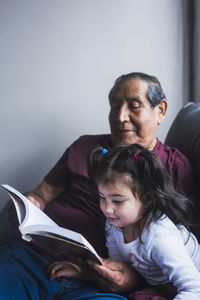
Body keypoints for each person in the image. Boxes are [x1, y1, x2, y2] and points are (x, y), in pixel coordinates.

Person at [0, 72, 197, 300]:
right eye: (114, 107)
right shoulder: (84, 147)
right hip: (33, 259)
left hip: (99, 284)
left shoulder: (175, 168)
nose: (121, 116)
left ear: (160, 110)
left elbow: (177, 259)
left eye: (134, 106)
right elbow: (40, 194)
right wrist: (30, 205)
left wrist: (132, 278)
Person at [84, 143, 200, 299]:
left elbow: (194, 289)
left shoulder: (160, 237)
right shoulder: (114, 224)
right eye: (102, 198)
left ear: (147, 199)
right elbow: (120, 264)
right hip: (153, 283)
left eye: (118, 201)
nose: (107, 209)